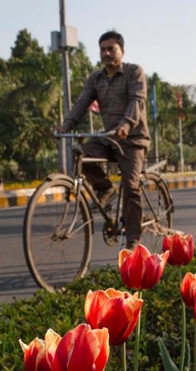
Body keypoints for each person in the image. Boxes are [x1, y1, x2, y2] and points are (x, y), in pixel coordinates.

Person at [54, 31, 151, 251]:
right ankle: (105, 188)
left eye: (111, 49)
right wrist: (65, 126)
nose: (106, 53)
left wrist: (126, 125)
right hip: (108, 139)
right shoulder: (95, 79)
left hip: (133, 139)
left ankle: (134, 241)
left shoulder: (134, 72)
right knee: (83, 154)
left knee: (131, 186)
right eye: (103, 49)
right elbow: (81, 104)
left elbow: (138, 101)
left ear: (122, 51)